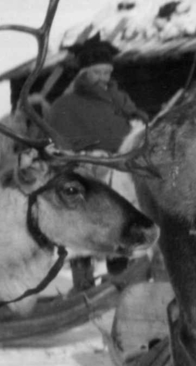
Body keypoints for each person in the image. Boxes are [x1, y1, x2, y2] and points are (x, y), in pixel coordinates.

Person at [47, 36, 150, 289]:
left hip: (122, 168)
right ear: (84, 73)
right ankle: (83, 282)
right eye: (98, 72)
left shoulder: (118, 101)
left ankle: (124, 268)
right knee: (85, 223)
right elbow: (58, 145)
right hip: (87, 174)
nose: (104, 77)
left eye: (107, 72)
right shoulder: (66, 105)